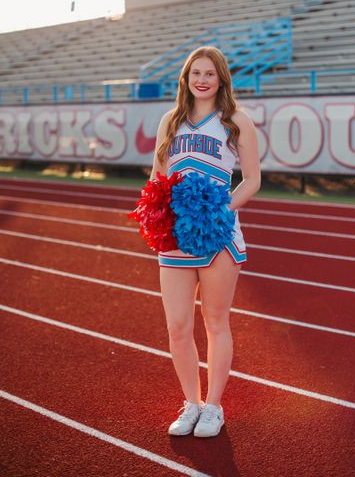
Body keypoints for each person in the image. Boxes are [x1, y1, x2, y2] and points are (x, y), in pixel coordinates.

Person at [150, 46, 261, 438]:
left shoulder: (235, 120)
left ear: (221, 79)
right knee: (178, 326)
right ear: (186, 78)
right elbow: (157, 177)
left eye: (209, 73)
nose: (202, 80)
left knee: (215, 321)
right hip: (177, 235)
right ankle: (191, 403)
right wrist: (158, 213)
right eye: (195, 73)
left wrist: (219, 210)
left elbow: (252, 179)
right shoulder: (170, 121)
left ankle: (213, 406)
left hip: (218, 234)